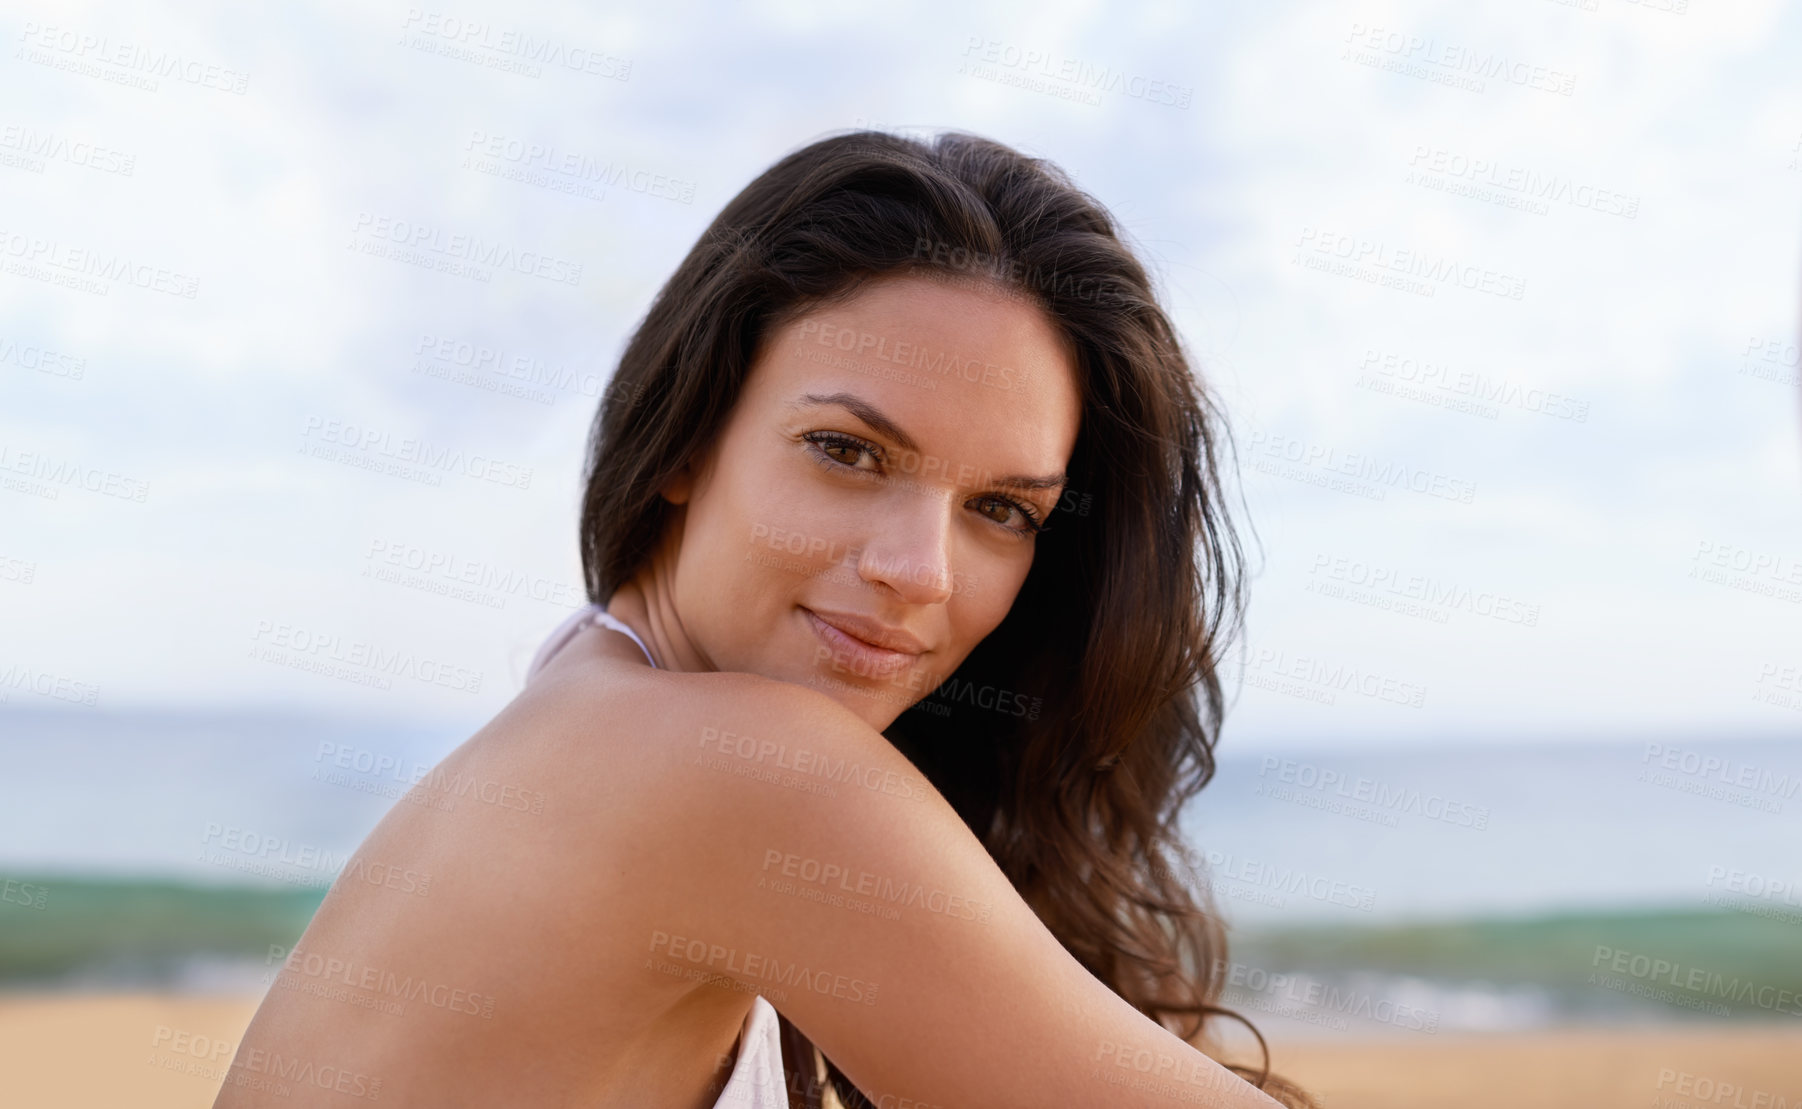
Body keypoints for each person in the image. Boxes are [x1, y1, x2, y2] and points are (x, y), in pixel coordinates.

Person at [217, 129, 1314, 1108]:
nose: (919, 570)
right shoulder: (741, 774)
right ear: (690, 436)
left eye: (999, 509)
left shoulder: (594, 700)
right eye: (847, 451)